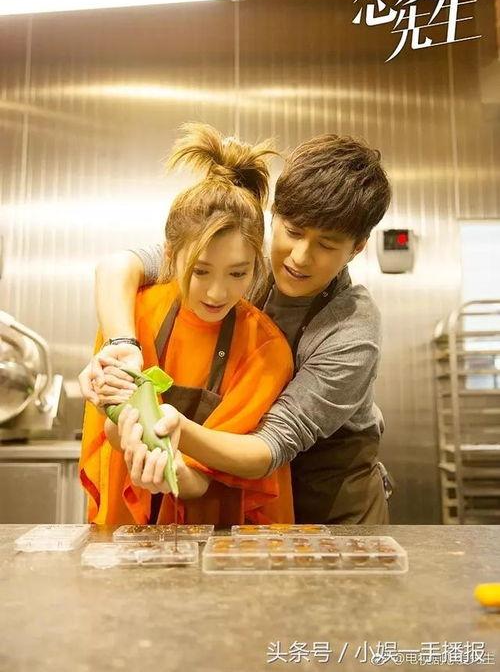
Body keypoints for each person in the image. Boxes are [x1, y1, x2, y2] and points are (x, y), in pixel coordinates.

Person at [81, 133, 392, 524]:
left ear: (357, 247)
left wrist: (172, 427)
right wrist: (120, 350)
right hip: (235, 487)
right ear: (275, 214)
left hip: (332, 497)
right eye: (293, 231)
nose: (300, 258)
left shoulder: (351, 330)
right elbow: (117, 267)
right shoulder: (236, 258)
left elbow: (269, 446)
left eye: (326, 245)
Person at [79, 123, 295, 527]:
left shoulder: (265, 349)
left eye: (238, 273)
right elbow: (108, 430)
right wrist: (119, 421)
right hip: (128, 527)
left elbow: (221, 475)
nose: (217, 292)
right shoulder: (133, 315)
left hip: (220, 535)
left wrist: (175, 474)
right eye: (200, 271)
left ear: (257, 266)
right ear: (169, 256)